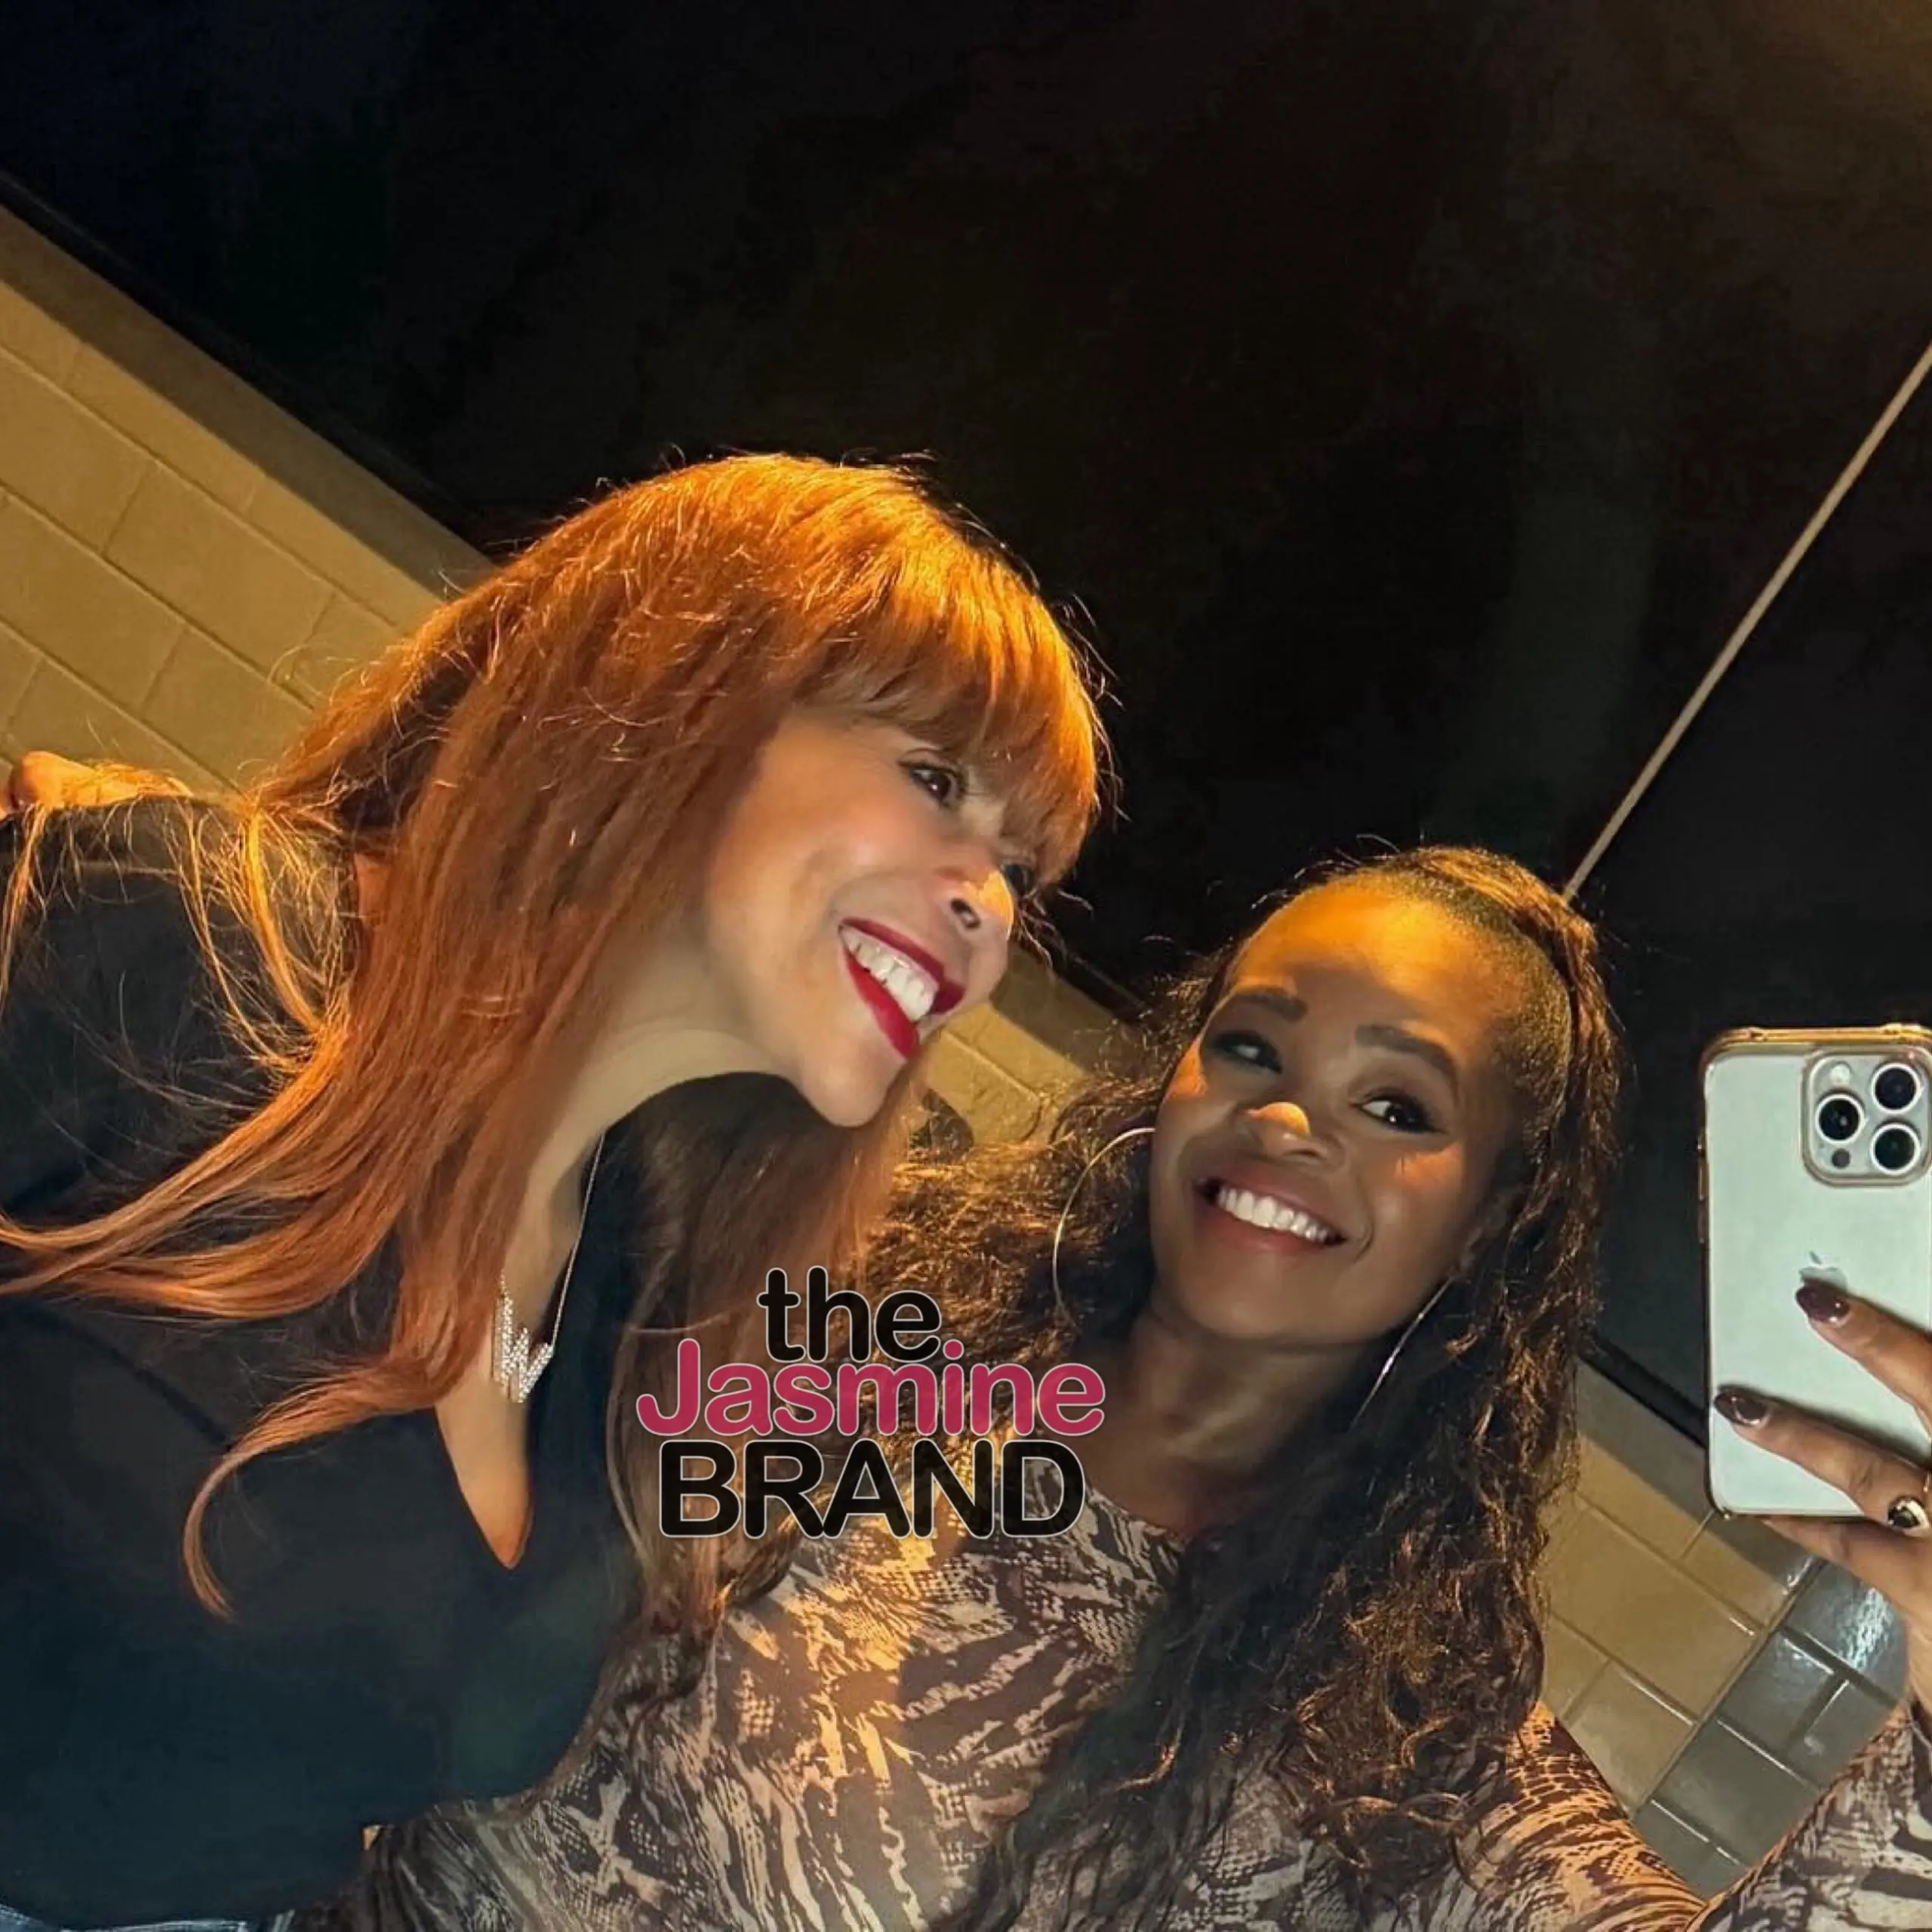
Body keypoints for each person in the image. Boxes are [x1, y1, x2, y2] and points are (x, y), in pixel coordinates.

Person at [334, 846, 1932, 1929]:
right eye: (1252, 1047)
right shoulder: (865, 1315)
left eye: (1395, 1104)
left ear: (1491, 1225)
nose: (1288, 1120)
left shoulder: (1394, 1745)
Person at [0, 454, 1104, 1930]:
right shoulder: (173, 936)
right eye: (936, 781)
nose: (988, 904)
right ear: (684, 691)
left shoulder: (630, 1278)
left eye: (1021, 867)